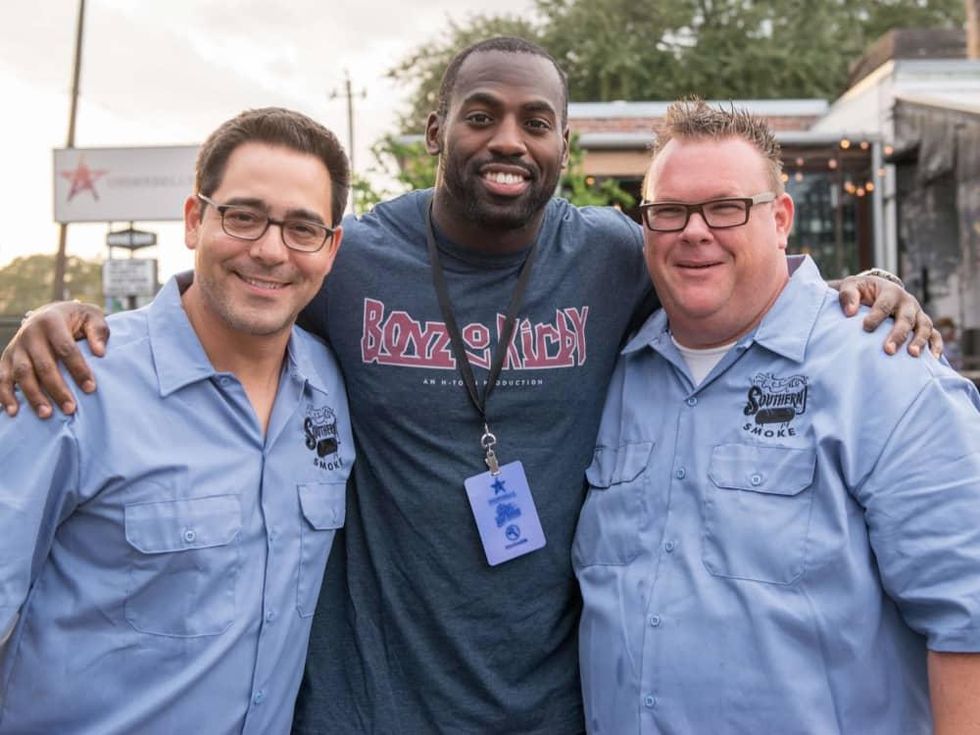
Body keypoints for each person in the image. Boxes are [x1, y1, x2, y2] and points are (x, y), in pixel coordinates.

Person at [0, 39, 939, 734]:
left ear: (565, 143)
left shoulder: (616, 257)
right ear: (434, 128)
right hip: (365, 704)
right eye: (481, 113)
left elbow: (733, 267)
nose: (508, 139)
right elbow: (240, 286)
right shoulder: (352, 257)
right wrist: (81, 318)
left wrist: (870, 293)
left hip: (555, 708)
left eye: (536, 122)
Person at [573, 99, 980, 734]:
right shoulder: (613, 374)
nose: (695, 231)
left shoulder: (883, 370)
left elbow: (968, 615)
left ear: (781, 218)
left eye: (726, 208)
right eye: (670, 211)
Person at [0, 107, 354, 733]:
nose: (270, 251)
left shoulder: (336, 385)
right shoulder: (72, 384)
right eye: (242, 216)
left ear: (331, 248)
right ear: (195, 220)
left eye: (303, 228)